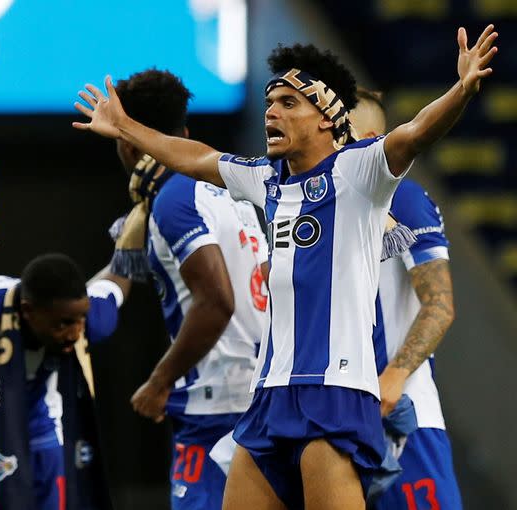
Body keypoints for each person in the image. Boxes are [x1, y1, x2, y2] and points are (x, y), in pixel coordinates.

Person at [73, 25, 497, 509]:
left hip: (334, 396)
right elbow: (196, 157)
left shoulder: (360, 172)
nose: (271, 111)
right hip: (268, 398)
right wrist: (125, 126)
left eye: (289, 102)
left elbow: (417, 132)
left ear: (327, 117)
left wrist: (460, 91)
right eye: (270, 102)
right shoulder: (266, 181)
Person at [105, 69, 270, 510]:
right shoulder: (227, 189)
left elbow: (216, 300)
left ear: (128, 140)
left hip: (218, 402)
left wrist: (160, 381)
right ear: (186, 133)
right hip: (258, 389)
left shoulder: (174, 200)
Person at [351, 89, 462, 509]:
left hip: (403, 421)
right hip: (336, 421)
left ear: (371, 138)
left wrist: (393, 379)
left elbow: (440, 304)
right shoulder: (316, 207)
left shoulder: (404, 198)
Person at [0, 253, 129, 510]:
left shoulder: (91, 321)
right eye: (64, 323)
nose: (76, 333)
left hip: (40, 421)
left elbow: (113, 285)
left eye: (80, 320)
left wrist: (128, 248)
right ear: (28, 312)